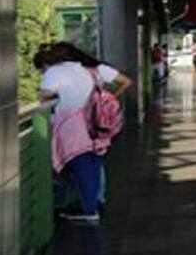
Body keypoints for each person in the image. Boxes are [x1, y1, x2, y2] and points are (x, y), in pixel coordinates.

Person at [37, 42, 132, 222]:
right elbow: (126, 81)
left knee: (80, 164)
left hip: (72, 125)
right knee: (94, 162)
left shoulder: (55, 72)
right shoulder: (94, 69)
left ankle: (89, 209)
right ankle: (95, 201)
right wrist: (110, 97)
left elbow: (44, 95)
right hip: (97, 121)